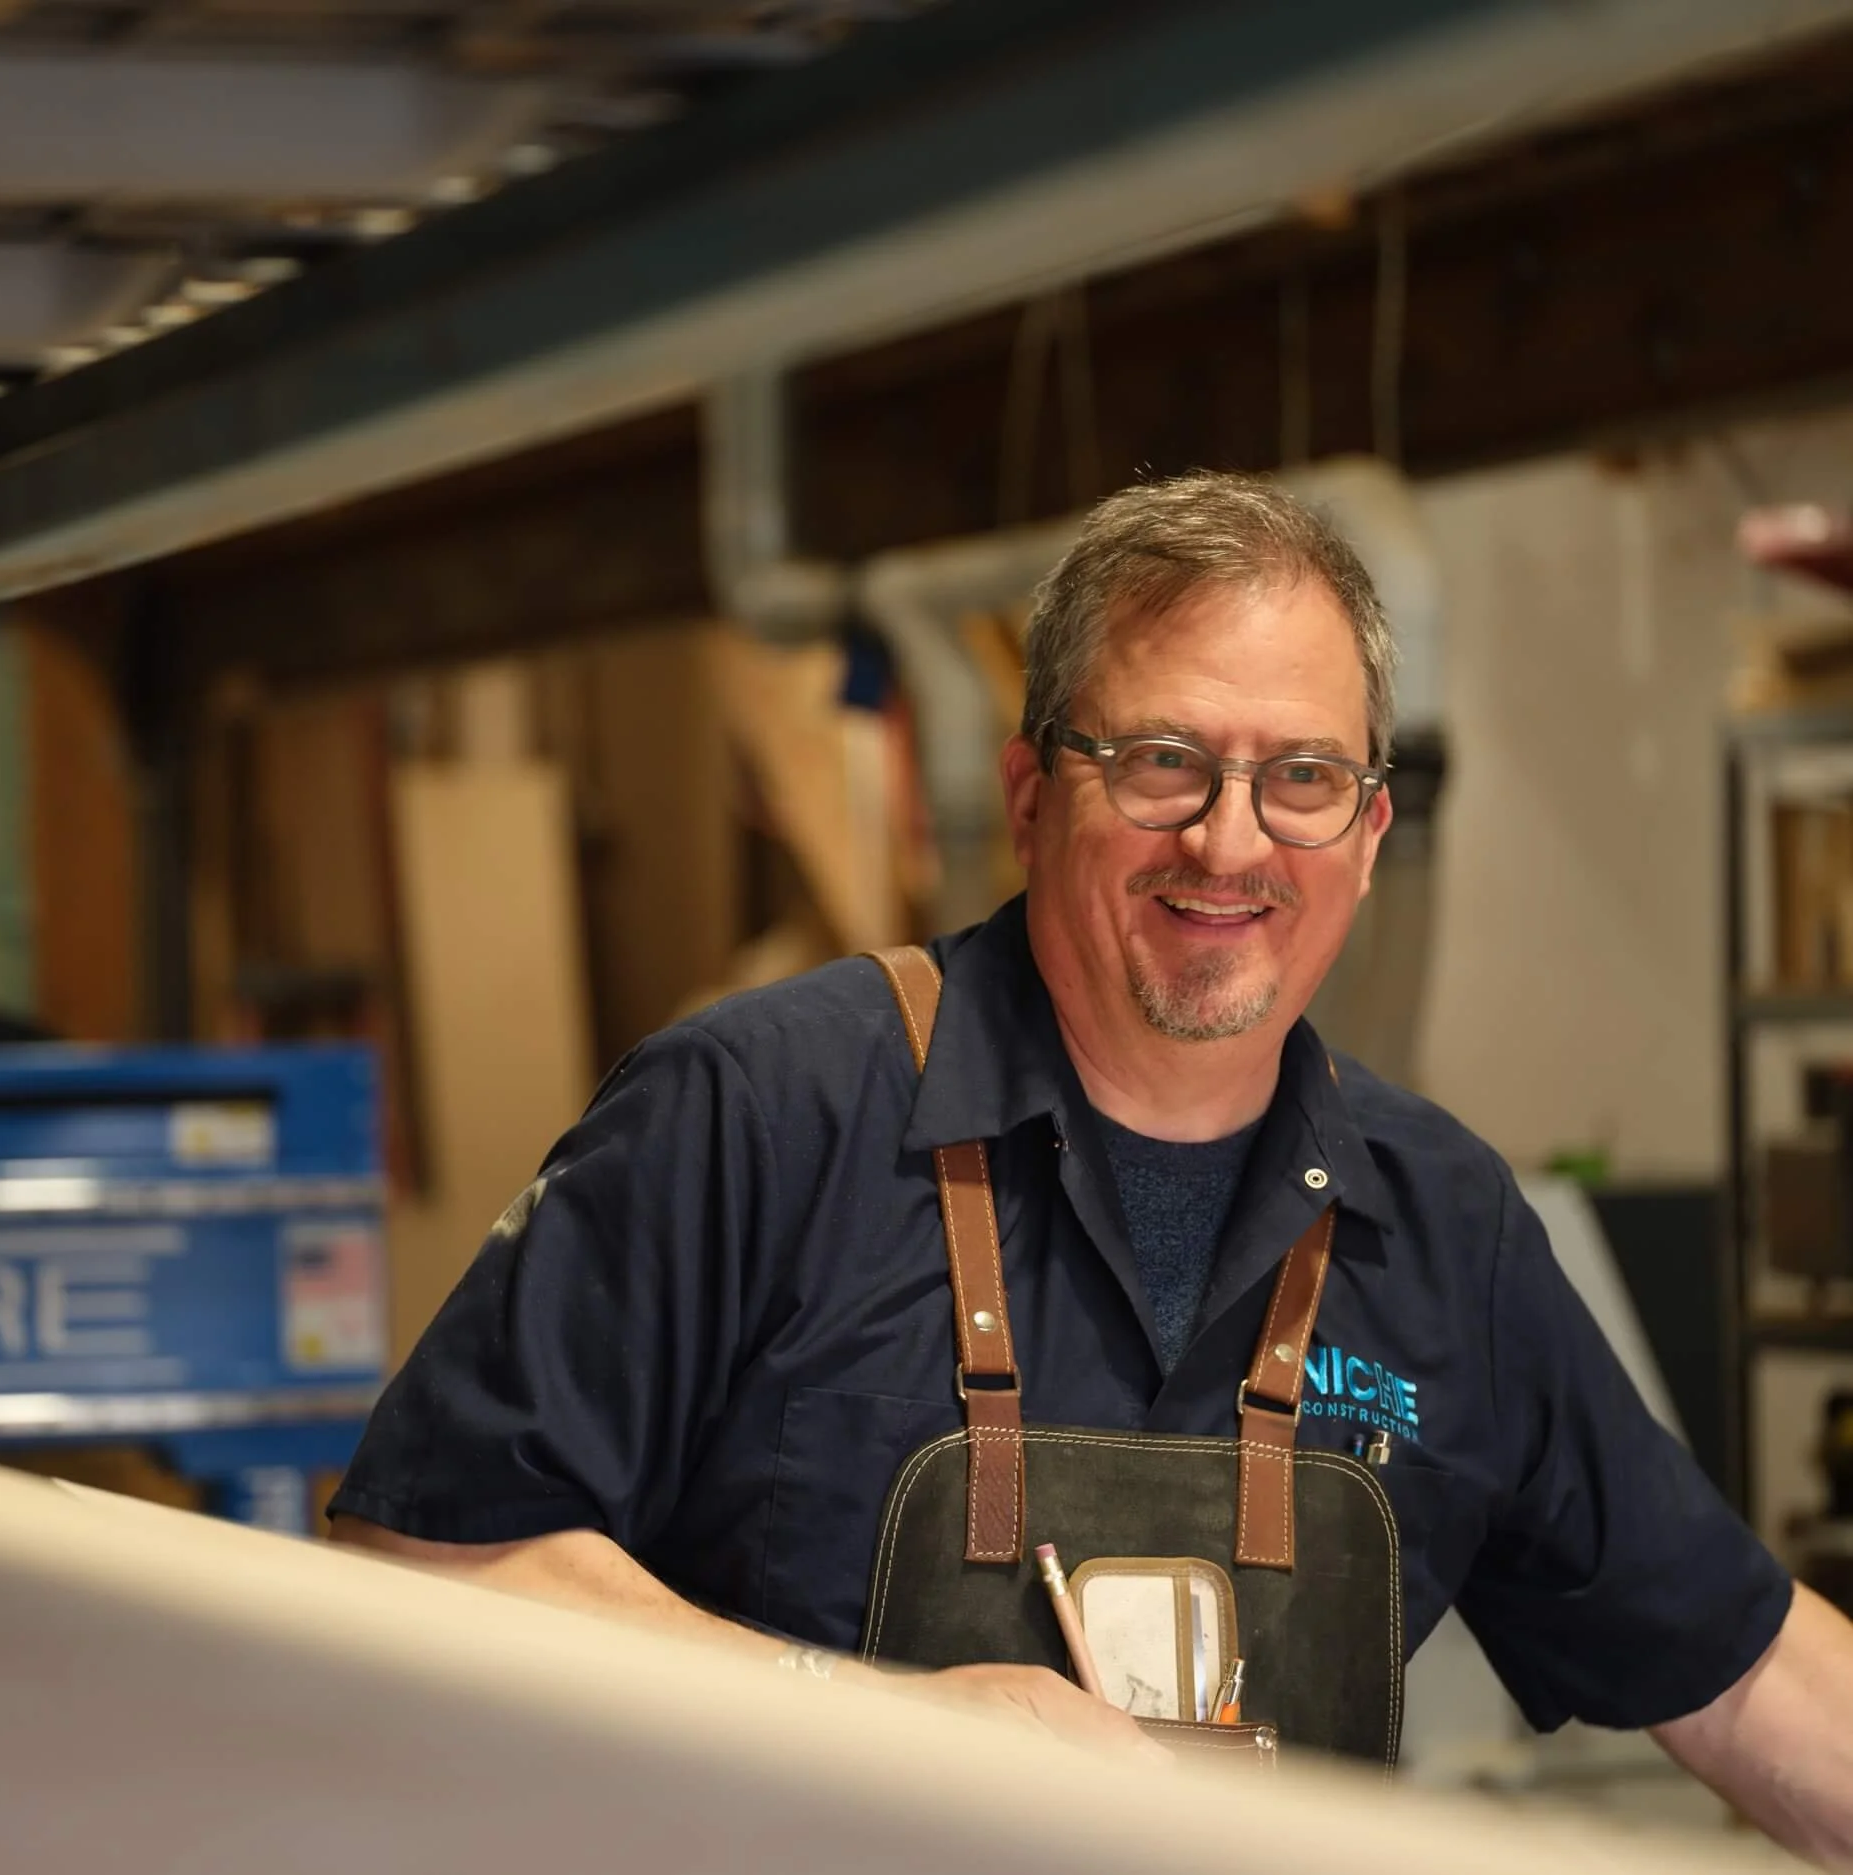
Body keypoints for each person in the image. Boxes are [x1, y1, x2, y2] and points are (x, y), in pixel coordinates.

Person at [328, 473, 1853, 1855]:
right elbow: (425, 1564)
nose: (1231, 841)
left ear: (1374, 828)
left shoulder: (1445, 1229)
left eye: (1302, 779)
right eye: (1162, 761)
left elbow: (1750, 1671)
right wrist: (876, 1723)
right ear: (1029, 791)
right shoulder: (759, 1117)